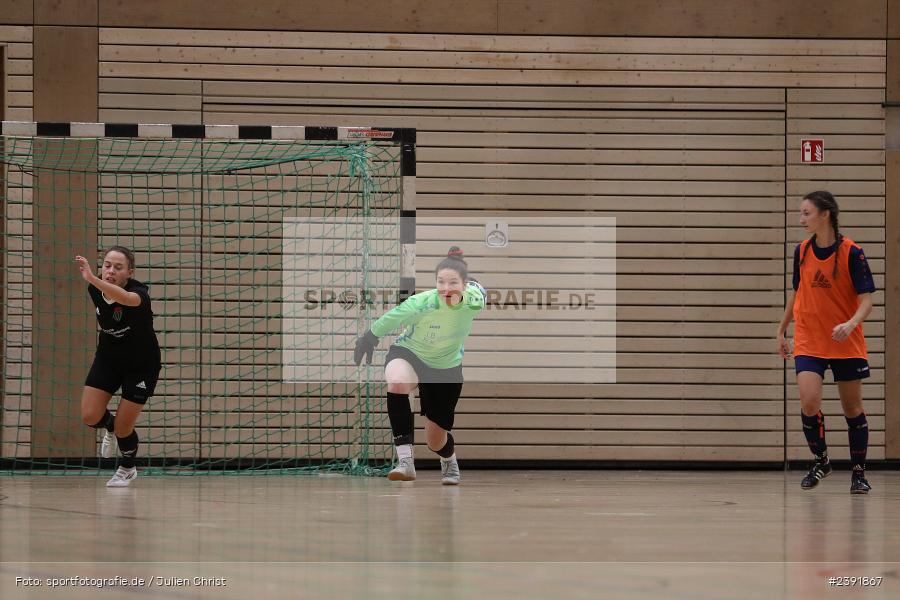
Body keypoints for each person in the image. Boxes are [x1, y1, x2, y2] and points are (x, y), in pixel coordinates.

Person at [354, 247, 485, 485]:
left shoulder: (472, 303)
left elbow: (481, 292)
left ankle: (449, 459)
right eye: (440, 282)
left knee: (435, 440)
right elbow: (394, 316)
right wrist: (370, 337)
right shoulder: (423, 302)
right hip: (410, 353)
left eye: (453, 282)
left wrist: (474, 286)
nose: (446, 288)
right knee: (397, 381)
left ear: (464, 284)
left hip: (445, 368)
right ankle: (405, 462)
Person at [777, 191, 876, 494]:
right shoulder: (801, 251)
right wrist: (782, 330)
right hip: (810, 338)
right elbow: (797, 293)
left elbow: (867, 301)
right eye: (801, 213)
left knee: (852, 407)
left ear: (825, 215)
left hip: (844, 339)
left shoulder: (852, 252)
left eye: (807, 213)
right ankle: (822, 460)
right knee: (809, 401)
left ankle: (858, 472)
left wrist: (851, 323)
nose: (801, 219)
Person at [75, 246, 162, 487]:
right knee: (90, 415)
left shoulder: (139, 292)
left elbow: (125, 300)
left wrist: (92, 277)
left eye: (118, 267)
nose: (110, 271)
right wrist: (94, 280)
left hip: (141, 365)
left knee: (126, 426)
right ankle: (109, 427)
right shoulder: (95, 289)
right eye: (107, 265)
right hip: (109, 358)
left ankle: (128, 467)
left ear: (129, 273)